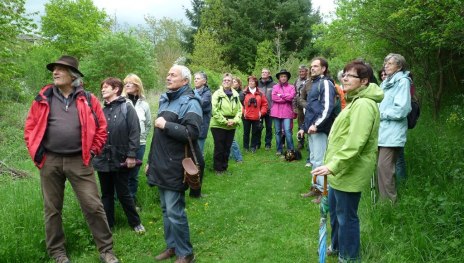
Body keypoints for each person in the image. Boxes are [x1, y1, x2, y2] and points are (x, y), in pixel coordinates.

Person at [24, 55, 119, 263]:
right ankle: (57, 253)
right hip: (50, 161)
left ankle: (106, 250)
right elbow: (30, 127)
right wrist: (36, 153)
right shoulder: (43, 97)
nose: (55, 72)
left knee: (93, 206)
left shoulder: (88, 98)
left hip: (80, 160)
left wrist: (92, 151)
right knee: (52, 209)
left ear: (73, 75)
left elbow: (102, 129)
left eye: (60, 69)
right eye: (54, 69)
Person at [312, 60, 384, 262]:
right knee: (335, 214)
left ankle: (350, 256)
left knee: (346, 218)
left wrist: (332, 166)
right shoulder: (354, 101)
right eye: (344, 74)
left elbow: (355, 144)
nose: (344, 78)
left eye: (349, 75)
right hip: (338, 172)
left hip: (349, 171)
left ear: (364, 81)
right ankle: (336, 246)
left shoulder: (363, 105)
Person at [146, 65, 204, 263]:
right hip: (160, 164)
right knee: (165, 210)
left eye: (173, 74)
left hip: (176, 165)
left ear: (185, 81)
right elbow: (158, 139)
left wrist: (167, 125)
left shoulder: (191, 102)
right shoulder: (165, 99)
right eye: (168, 73)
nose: (168, 76)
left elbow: (192, 133)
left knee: (174, 211)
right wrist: (150, 162)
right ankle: (172, 246)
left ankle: (186, 253)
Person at [92, 77, 145, 234]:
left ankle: (135, 223)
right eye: (102, 87)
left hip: (121, 158)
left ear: (116, 89)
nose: (103, 89)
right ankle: (109, 225)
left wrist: (131, 155)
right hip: (102, 159)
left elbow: (135, 132)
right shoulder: (101, 111)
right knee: (106, 194)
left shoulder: (127, 108)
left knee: (123, 193)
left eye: (106, 87)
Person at [298, 57, 337, 203]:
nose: (312, 68)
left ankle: (324, 192)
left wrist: (317, 125)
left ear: (324, 68)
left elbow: (328, 108)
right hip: (311, 129)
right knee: (314, 160)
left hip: (320, 129)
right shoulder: (314, 84)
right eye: (311, 66)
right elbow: (310, 109)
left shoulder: (326, 83)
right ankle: (315, 188)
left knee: (321, 161)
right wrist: (304, 127)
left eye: (315, 66)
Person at [377, 53, 411, 203]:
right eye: (385, 63)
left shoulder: (403, 82)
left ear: (399, 66)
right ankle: (384, 201)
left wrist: (380, 114)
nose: (386, 65)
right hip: (383, 132)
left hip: (393, 133)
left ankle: (391, 203)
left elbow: (402, 109)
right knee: (381, 168)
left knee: (385, 168)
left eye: (390, 63)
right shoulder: (386, 82)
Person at [122, 73, 152, 206]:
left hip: (140, 144)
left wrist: (142, 138)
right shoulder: (121, 102)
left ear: (137, 86)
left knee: (133, 175)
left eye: (131, 83)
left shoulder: (144, 104)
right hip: (123, 144)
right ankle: (120, 202)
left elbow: (148, 123)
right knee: (121, 175)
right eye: (126, 83)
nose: (127, 85)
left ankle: (132, 202)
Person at [210, 73, 242, 174]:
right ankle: (218, 169)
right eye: (225, 80)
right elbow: (215, 110)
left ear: (232, 82)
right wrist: (225, 121)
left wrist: (235, 121)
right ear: (222, 82)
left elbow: (240, 110)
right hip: (218, 125)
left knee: (227, 147)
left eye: (229, 80)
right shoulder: (217, 94)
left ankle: (224, 167)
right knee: (219, 147)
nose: (226, 82)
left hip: (231, 125)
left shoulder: (236, 94)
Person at [271, 69, 296, 155]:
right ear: (279, 78)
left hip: (287, 112)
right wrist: (285, 97)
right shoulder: (275, 87)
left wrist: (281, 95)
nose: (283, 78)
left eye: (285, 76)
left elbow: (291, 97)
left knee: (287, 131)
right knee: (277, 132)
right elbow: (274, 98)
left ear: (287, 77)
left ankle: (291, 149)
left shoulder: (291, 87)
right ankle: (279, 149)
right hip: (276, 112)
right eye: (281, 76)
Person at [242, 75, 269, 153]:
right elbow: (241, 104)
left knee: (255, 132)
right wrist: (243, 111)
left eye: (252, 81)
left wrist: (261, 112)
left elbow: (265, 104)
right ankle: (246, 147)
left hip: (256, 116)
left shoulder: (260, 93)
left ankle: (253, 147)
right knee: (246, 132)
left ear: (256, 83)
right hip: (246, 116)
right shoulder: (244, 93)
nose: (251, 83)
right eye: (249, 81)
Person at [294, 65, 313, 165]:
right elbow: (295, 94)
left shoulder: (310, 81)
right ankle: (300, 142)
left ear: (306, 72)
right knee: (300, 124)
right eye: (300, 71)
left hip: (309, 105)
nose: (301, 73)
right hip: (300, 106)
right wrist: (294, 107)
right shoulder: (296, 81)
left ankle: (310, 144)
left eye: (303, 71)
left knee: (310, 123)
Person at [193, 72, 212, 155]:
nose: (195, 80)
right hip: (192, 125)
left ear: (204, 81)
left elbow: (202, 103)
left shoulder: (207, 93)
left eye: (198, 78)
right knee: (191, 151)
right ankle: (191, 167)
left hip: (202, 125)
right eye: (195, 79)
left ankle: (200, 167)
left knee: (199, 151)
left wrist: (193, 96)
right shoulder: (192, 91)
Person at [257, 68, 276, 150]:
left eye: (265, 72)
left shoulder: (274, 84)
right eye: (262, 72)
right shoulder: (257, 84)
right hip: (259, 110)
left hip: (270, 110)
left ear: (269, 74)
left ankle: (268, 144)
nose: (264, 73)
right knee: (258, 127)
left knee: (269, 128)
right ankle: (257, 144)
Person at [229, 77, 244, 162]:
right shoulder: (229, 92)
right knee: (228, 139)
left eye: (234, 82)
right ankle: (230, 156)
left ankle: (239, 158)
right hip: (227, 117)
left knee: (232, 139)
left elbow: (237, 107)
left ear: (238, 84)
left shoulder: (239, 94)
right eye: (232, 81)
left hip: (234, 118)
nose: (232, 83)